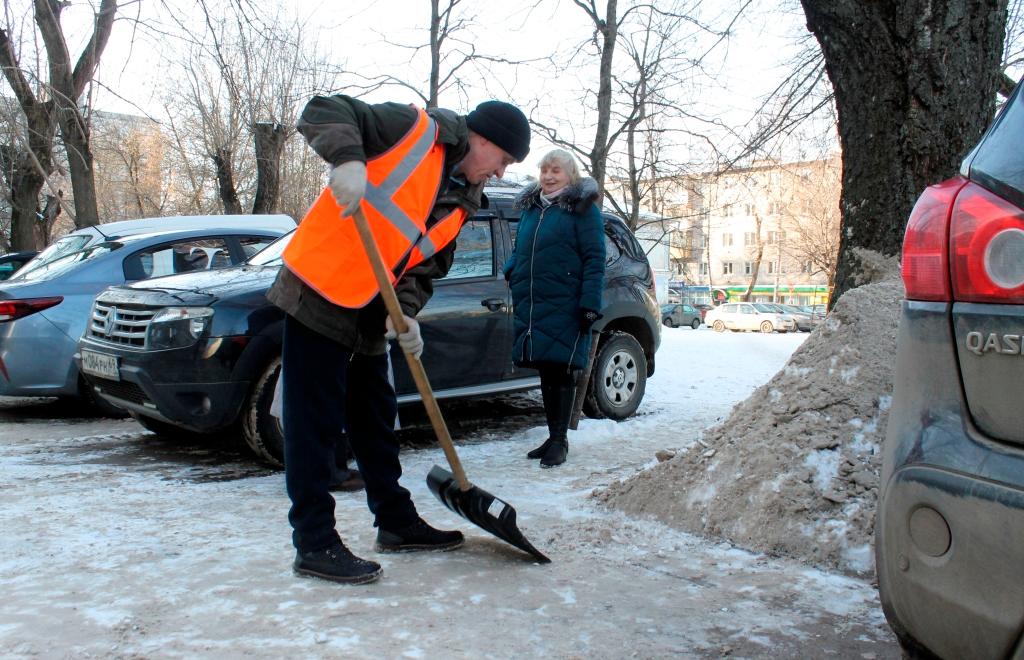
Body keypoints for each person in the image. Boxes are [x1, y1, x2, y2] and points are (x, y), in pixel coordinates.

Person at [268, 96, 530, 585]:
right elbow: (323, 110)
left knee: (374, 418)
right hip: (320, 287)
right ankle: (314, 541)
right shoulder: (412, 129)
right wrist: (347, 161)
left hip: (372, 305)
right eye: (504, 161)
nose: (500, 173)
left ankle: (394, 521)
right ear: (484, 139)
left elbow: (427, 265)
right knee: (314, 423)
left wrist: (404, 315)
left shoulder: (463, 200)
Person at [503, 149, 606, 468]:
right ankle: (552, 435)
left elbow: (594, 258)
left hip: (566, 301)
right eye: (544, 170)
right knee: (547, 369)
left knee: (561, 369)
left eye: (556, 170)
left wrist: (590, 303)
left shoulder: (583, 210)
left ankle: (560, 441)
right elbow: (520, 247)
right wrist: (512, 270)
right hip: (534, 301)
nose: (548, 176)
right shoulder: (533, 209)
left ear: (570, 175)